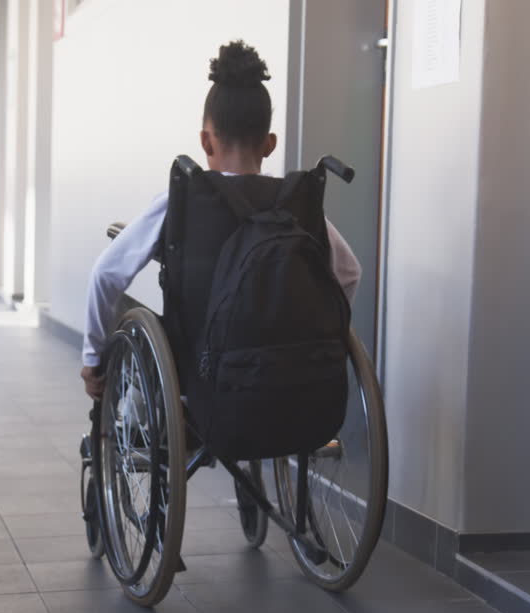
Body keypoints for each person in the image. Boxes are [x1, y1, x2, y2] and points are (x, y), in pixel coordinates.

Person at [80, 40, 361, 399]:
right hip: (288, 377)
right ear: (270, 144)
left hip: (201, 378)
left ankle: (135, 415)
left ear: (205, 141)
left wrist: (93, 359)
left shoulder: (183, 201)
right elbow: (350, 273)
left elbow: (105, 274)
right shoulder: (295, 204)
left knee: (125, 310)